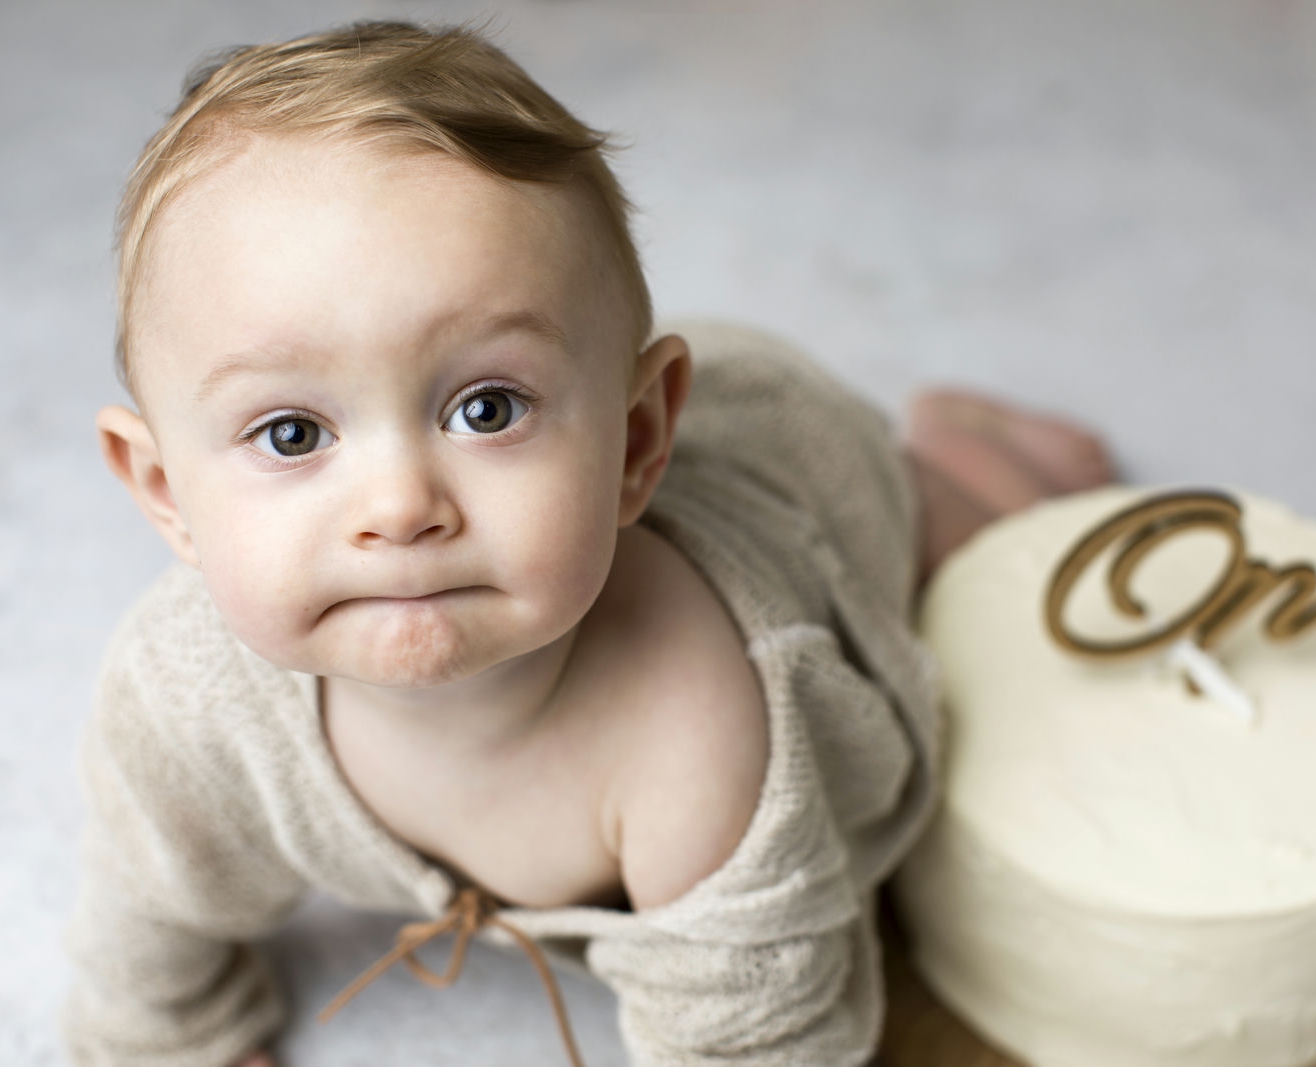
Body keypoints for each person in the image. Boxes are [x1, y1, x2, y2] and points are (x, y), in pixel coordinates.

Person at [63, 20, 1113, 1067]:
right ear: (167, 492)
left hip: (801, 467)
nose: (399, 506)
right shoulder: (183, 698)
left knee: (979, 555)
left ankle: (970, 449)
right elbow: (143, 904)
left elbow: (756, 1030)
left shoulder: (695, 722)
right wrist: (171, 1038)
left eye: (485, 408)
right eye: (291, 433)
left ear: (636, 442)